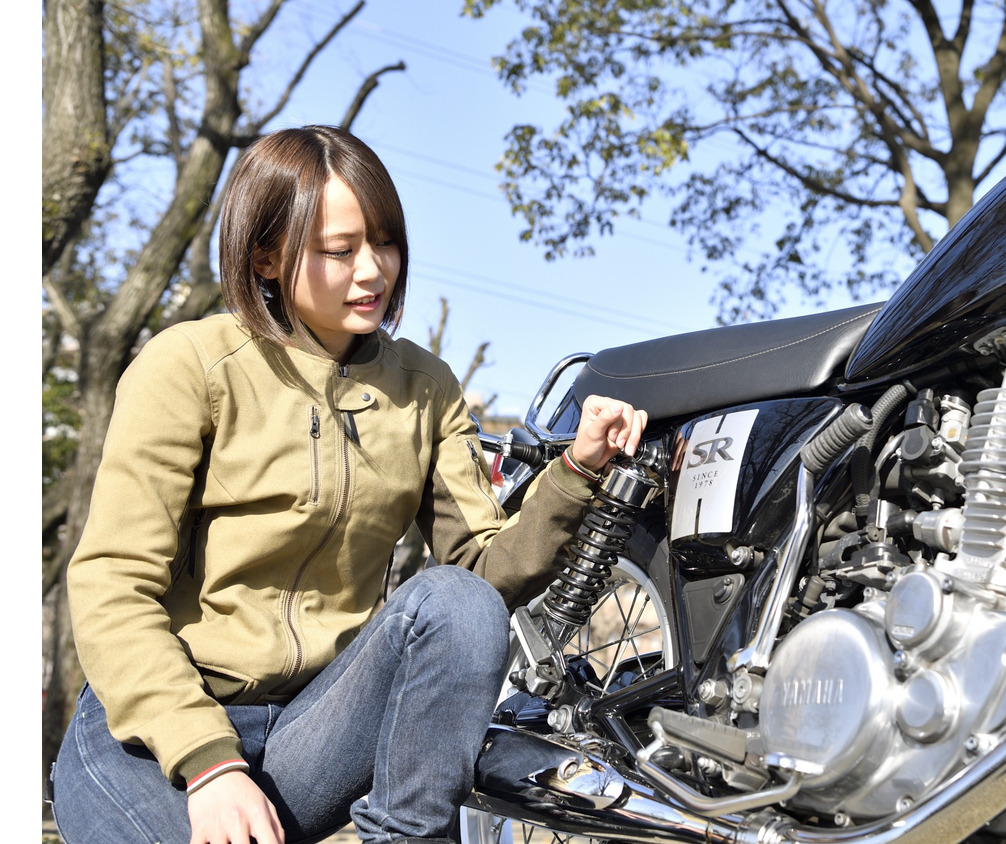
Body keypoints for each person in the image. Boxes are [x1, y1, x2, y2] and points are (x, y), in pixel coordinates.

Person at [50, 125, 648, 844]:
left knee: (455, 603)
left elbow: (480, 580)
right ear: (266, 257)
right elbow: (113, 583)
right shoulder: (191, 365)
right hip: (152, 738)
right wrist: (210, 765)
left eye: (385, 243)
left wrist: (576, 472)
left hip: (313, 730)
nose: (373, 271)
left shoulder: (424, 387)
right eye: (340, 250)